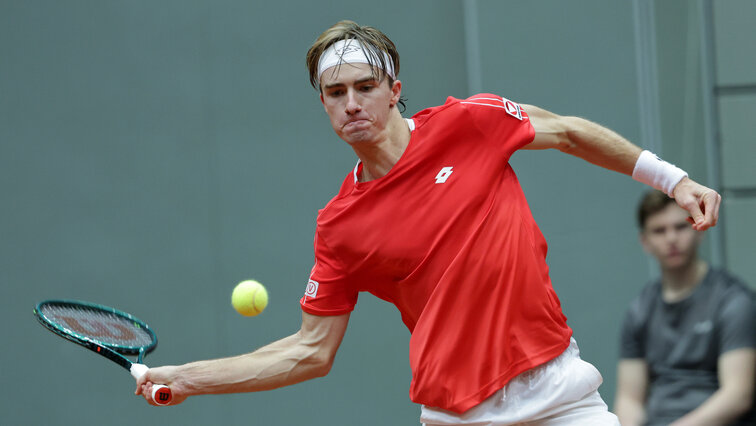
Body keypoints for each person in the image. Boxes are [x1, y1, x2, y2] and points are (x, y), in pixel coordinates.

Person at [136, 20, 723, 425]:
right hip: (458, 415)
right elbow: (310, 352)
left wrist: (673, 180)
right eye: (335, 93)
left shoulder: (469, 124)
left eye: (366, 87)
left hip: (561, 394)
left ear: (395, 91)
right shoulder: (340, 228)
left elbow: (567, 131)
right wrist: (188, 377)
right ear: (323, 105)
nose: (352, 103)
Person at [614, 190, 755, 426]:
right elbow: (629, 399)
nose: (671, 238)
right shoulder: (639, 310)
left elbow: (738, 395)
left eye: (680, 227)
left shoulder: (733, 301)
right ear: (645, 242)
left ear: (698, 230)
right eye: (659, 230)